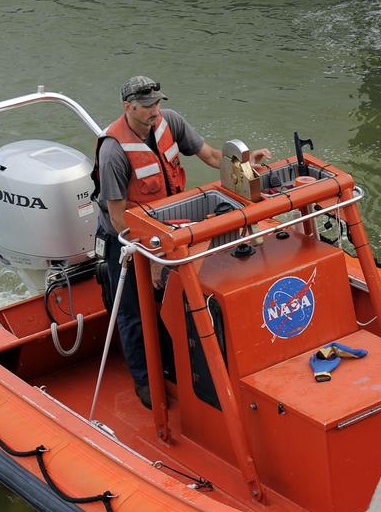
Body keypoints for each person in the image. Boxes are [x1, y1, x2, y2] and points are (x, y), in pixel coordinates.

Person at [93, 75, 270, 408]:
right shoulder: (113, 152)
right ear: (127, 107)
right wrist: (155, 257)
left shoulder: (170, 123)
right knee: (133, 311)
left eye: (158, 104)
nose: (155, 112)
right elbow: (119, 219)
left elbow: (210, 155)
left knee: (173, 298)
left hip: (172, 228)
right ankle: (145, 381)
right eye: (146, 107)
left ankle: (176, 364)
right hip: (129, 240)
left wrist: (244, 165)